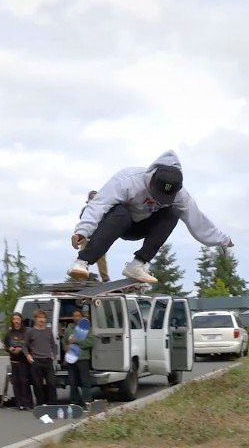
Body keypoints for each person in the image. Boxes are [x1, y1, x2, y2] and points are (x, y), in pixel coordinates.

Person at [68, 150, 233, 284]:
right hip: (116, 222)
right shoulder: (128, 180)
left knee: (172, 212)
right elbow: (99, 204)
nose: (157, 200)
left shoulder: (181, 196)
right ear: (152, 178)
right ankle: (82, 262)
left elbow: (197, 220)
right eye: (157, 194)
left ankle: (138, 264)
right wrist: (82, 231)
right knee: (121, 213)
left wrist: (223, 240)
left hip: (141, 227)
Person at [24, 309, 58, 406]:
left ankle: (53, 404)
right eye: (39, 317)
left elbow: (53, 345)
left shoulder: (48, 331)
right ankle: (40, 405)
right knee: (37, 385)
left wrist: (54, 355)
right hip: (36, 361)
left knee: (51, 383)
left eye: (43, 318)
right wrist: (28, 355)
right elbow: (24, 345)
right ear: (35, 319)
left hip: (48, 361)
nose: (41, 320)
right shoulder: (30, 331)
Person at [62, 309, 95, 408]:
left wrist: (77, 341)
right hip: (71, 358)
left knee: (85, 381)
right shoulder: (69, 328)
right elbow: (64, 341)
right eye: (74, 316)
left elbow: (90, 342)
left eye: (78, 316)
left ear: (81, 317)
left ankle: (87, 401)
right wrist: (65, 346)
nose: (76, 318)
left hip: (82, 358)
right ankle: (74, 402)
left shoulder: (87, 328)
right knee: (72, 382)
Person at [74, 190, 109, 282]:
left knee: (101, 257)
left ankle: (104, 277)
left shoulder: (103, 210)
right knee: (84, 255)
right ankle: (82, 275)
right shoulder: (86, 210)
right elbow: (82, 219)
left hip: (98, 236)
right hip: (87, 236)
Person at [2, 312, 34, 410]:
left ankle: (28, 403)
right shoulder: (9, 334)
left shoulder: (26, 332)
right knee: (16, 383)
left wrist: (21, 349)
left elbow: (30, 345)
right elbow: (6, 346)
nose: (16, 321)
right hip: (14, 361)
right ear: (12, 321)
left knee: (25, 382)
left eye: (18, 319)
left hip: (24, 361)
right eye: (14, 319)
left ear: (21, 320)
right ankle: (19, 403)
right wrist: (9, 349)